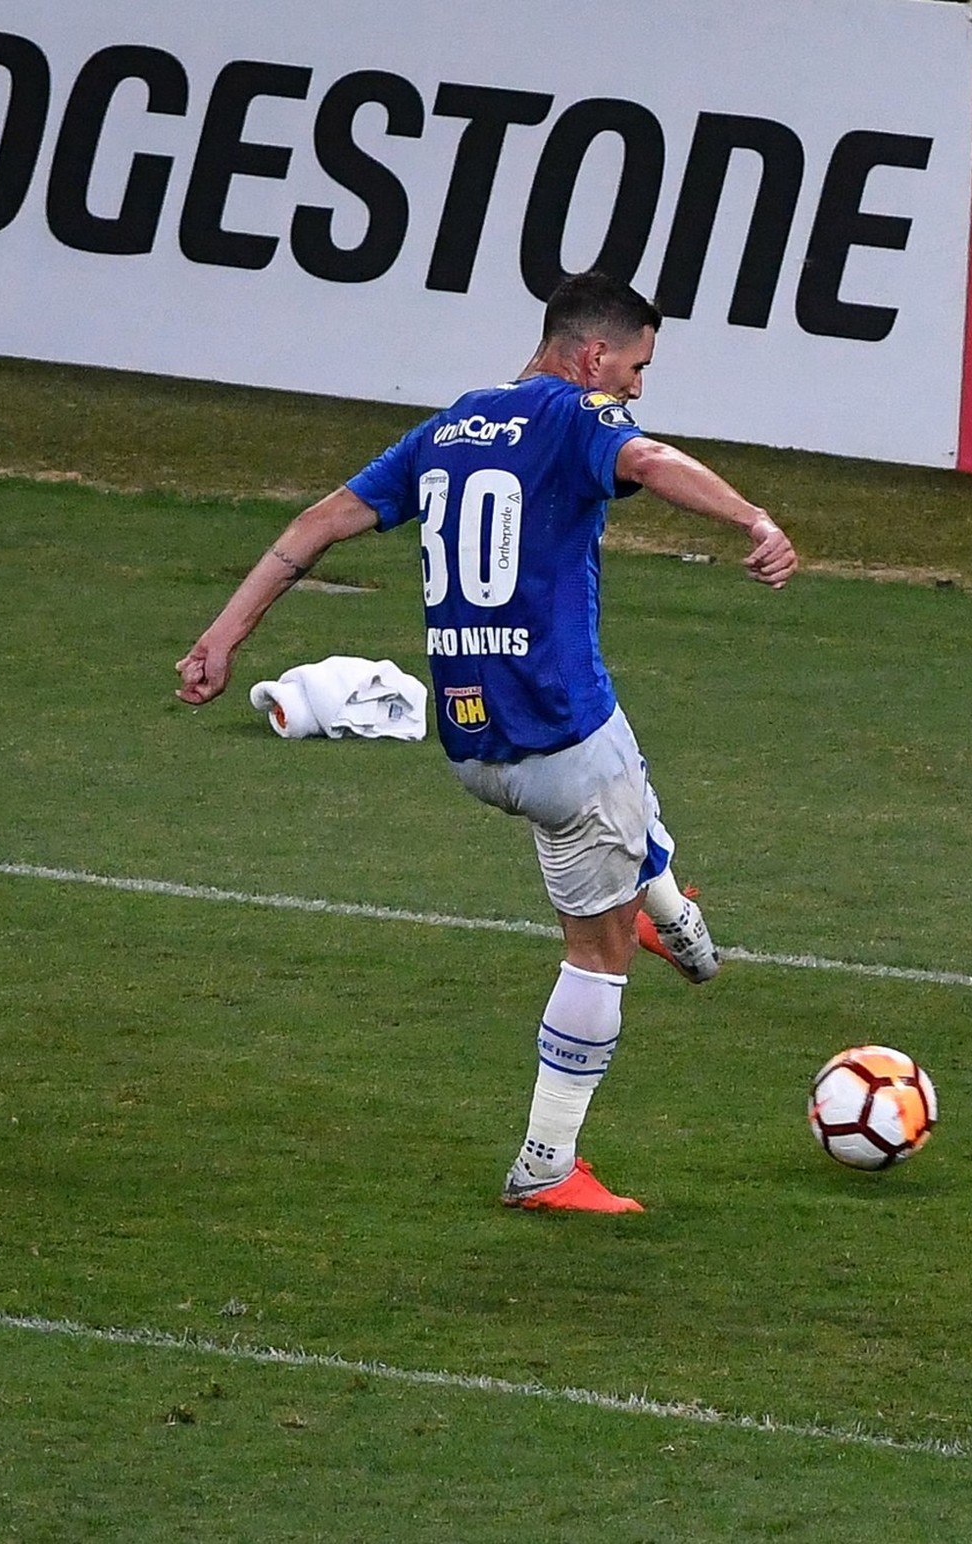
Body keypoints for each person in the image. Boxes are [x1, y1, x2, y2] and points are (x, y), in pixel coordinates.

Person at [175, 271, 798, 1215]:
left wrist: (222, 636)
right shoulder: (573, 418)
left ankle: (669, 916)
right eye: (634, 367)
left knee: (623, 775)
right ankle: (548, 1163)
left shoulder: (447, 428)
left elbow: (316, 526)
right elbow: (653, 460)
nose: (634, 387)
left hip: (474, 745)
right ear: (593, 357)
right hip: (558, 738)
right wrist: (752, 519)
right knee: (595, 948)